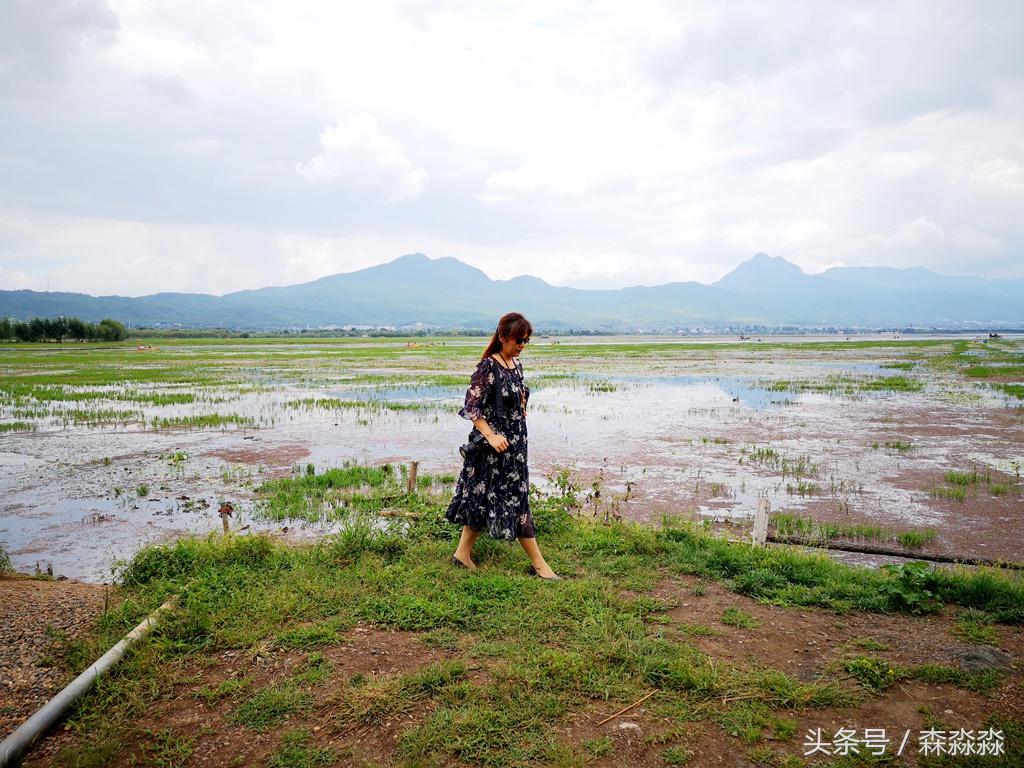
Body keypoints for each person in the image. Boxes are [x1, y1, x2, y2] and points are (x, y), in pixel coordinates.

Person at [445, 312, 559, 580]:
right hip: (493, 448)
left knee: (482, 498)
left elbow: (516, 396)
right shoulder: (488, 366)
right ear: (503, 337)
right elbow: (470, 406)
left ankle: (462, 554)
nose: (522, 345)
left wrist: (519, 410)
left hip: (516, 445)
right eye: (519, 339)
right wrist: (491, 435)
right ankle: (540, 564)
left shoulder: (514, 364)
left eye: (527, 341)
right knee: (514, 499)